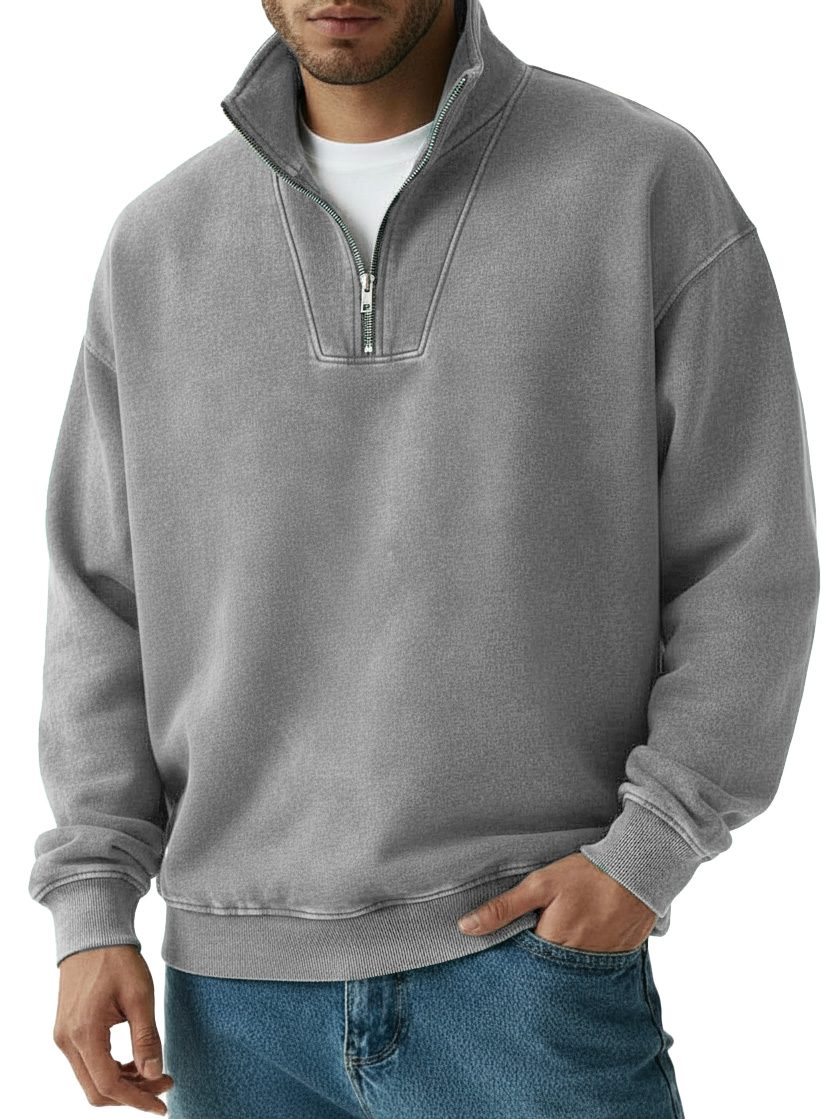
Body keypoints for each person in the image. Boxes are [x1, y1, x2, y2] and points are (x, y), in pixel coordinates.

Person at [28, 0, 820, 1115]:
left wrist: (647, 854)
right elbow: (100, 602)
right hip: (230, 1003)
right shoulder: (158, 242)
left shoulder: (639, 184)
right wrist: (91, 906)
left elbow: (746, 555)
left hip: (526, 973)